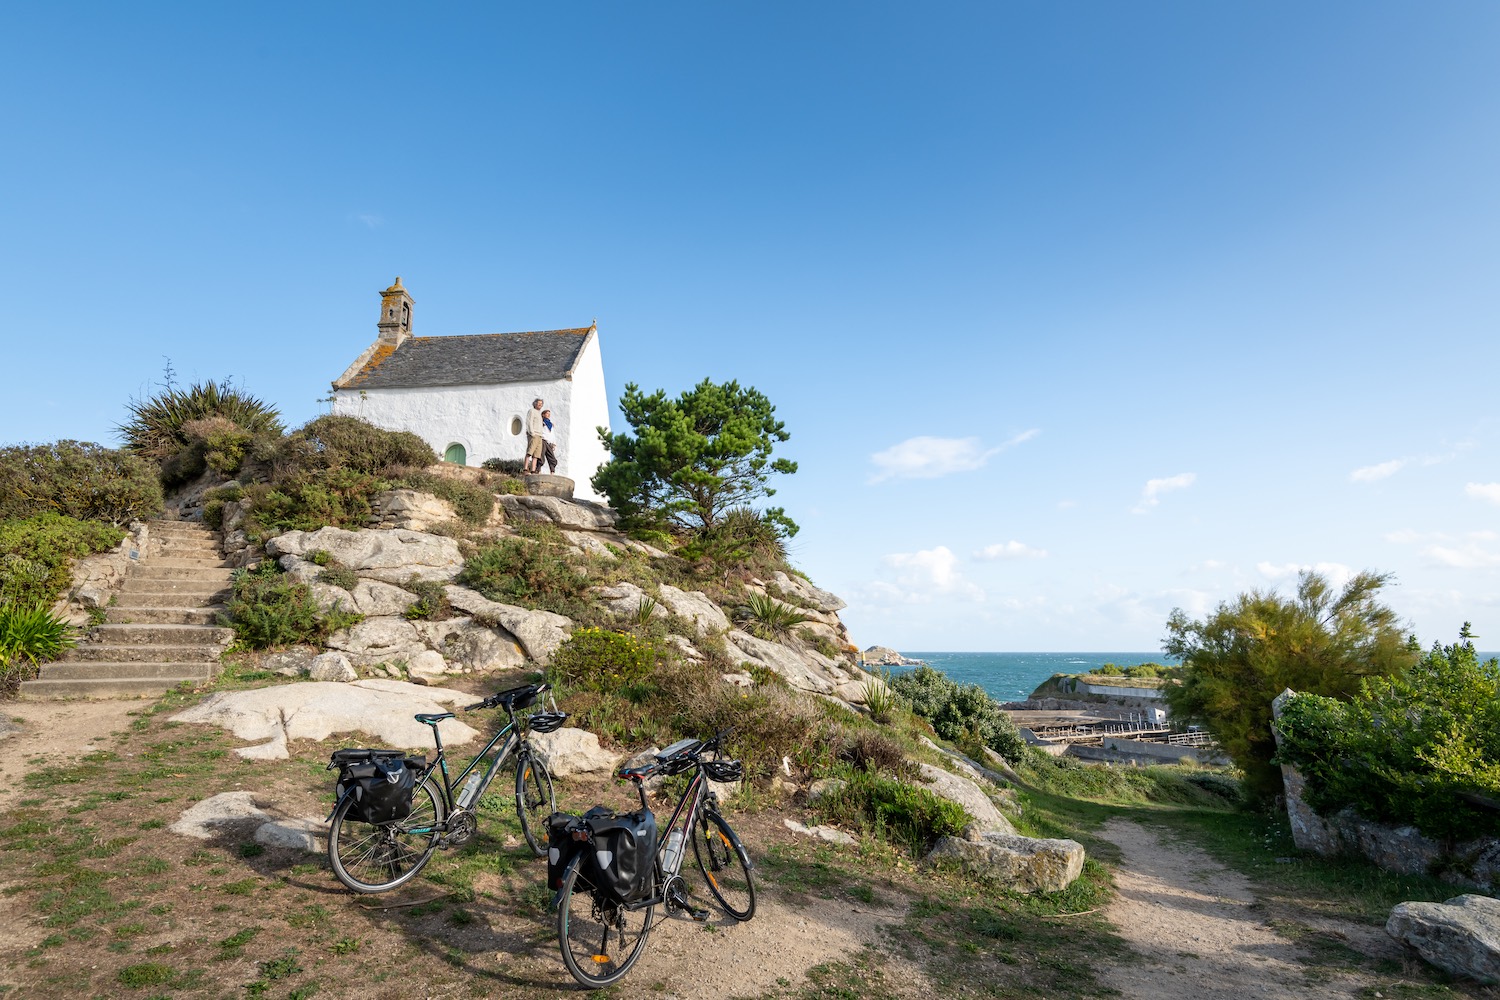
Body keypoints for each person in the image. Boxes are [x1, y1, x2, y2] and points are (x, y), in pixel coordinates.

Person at [524, 398, 545, 473]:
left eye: (541, 404)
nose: (540, 405)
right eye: (538, 403)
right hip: (534, 434)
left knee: (536, 455)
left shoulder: (539, 414)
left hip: (539, 436)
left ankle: (533, 470)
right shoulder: (532, 411)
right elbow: (529, 422)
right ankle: (525, 469)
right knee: (530, 452)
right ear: (535, 404)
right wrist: (532, 433)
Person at [540, 409, 559, 474]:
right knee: (541, 456)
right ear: (543, 414)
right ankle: (538, 470)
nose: (548, 415)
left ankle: (552, 471)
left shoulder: (551, 424)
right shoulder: (542, 422)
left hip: (550, 442)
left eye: (549, 414)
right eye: (547, 413)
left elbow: (552, 434)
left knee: (552, 458)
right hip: (543, 440)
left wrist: (554, 443)